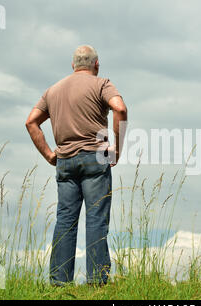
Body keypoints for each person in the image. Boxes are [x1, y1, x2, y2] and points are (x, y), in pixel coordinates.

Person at [25, 45, 128, 286]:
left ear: (73, 66)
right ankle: (96, 283)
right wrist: (117, 150)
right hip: (96, 156)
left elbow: (31, 122)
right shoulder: (102, 84)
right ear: (96, 64)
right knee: (96, 220)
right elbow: (120, 108)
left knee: (65, 221)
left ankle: (59, 284)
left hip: (65, 161)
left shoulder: (53, 90)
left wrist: (50, 154)